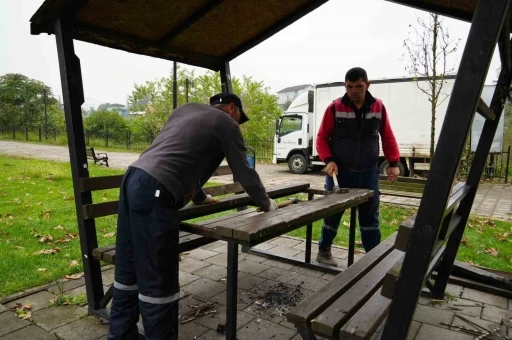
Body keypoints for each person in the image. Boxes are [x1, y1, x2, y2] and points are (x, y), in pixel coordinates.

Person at [107, 93, 278, 340]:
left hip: (132, 179)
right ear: (232, 108)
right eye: (239, 118)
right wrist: (266, 203)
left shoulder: (185, 110)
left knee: (128, 268)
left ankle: (121, 335)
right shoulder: (227, 123)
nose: (239, 124)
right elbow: (245, 173)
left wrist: (200, 197)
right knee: (158, 279)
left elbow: (180, 156)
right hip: (157, 192)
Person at [315, 67, 400, 267]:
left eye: (358, 86)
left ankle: (374, 259)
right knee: (332, 214)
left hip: (369, 174)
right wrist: (328, 160)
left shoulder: (378, 107)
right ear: (345, 86)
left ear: (367, 85)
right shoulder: (334, 108)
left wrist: (393, 163)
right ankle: (323, 250)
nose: (354, 91)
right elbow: (321, 138)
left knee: (370, 218)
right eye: (349, 86)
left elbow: (387, 135)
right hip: (340, 174)